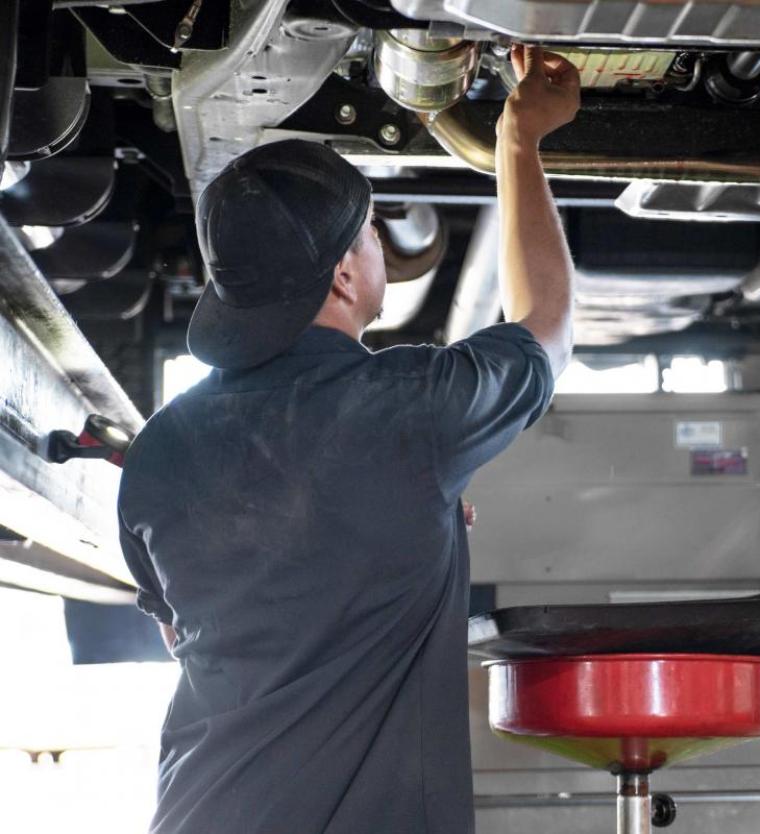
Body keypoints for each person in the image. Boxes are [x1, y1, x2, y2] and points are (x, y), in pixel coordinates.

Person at [117, 46, 579, 833]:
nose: (378, 250)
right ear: (340, 275)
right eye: (369, 232)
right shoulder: (409, 411)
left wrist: (391, 530)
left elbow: (185, 631)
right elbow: (547, 327)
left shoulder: (157, 450)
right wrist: (518, 141)